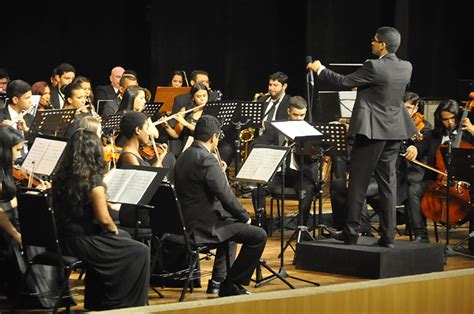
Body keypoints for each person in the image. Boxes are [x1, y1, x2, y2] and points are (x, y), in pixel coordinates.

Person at [307, 26, 417, 247]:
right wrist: (367, 90)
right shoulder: (406, 67)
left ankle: (351, 233)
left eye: (375, 40)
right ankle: (388, 236)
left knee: (357, 184)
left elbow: (345, 82)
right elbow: (385, 91)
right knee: (388, 184)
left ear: (383, 45)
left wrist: (320, 69)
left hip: (371, 132)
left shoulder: (373, 66)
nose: (372, 43)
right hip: (394, 131)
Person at [51, 128, 150, 310]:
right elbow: (104, 220)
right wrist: (115, 231)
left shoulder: (61, 177)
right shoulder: (93, 183)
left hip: (62, 239)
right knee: (140, 250)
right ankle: (126, 304)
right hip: (83, 242)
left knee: (125, 242)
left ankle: (99, 302)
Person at [174, 115, 267, 297]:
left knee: (231, 229)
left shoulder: (184, 155)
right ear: (214, 137)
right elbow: (225, 195)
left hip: (186, 222)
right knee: (258, 236)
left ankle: (218, 282)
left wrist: (218, 172)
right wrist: (245, 217)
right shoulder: (207, 160)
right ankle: (233, 283)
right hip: (203, 227)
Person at [403, 99, 474, 243]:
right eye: (445, 119)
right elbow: (420, 145)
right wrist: (413, 148)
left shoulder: (469, 135)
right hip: (437, 182)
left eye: (453, 118)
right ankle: (421, 234)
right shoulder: (433, 135)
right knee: (414, 190)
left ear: (459, 116)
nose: (450, 123)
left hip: (465, 185)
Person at [251, 96, 317, 230]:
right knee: (258, 190)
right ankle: (261, 228)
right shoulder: (276, 127)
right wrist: (278, 148)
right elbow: (256, 144)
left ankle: (301, 228)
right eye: (295, 115)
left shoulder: (310, 130)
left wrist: (312, 153)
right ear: (288, 111)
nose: (299, 118)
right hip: (278, 173)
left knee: (308, 190)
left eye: (302, 115)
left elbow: (313, 158)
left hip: (300, 174)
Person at [256, 71, 291, 136]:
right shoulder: (262, 100)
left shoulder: (289, 102)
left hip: (277, 141)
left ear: (284, 86)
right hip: (259, 139)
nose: (271, 88)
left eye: (275, 85)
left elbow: (284, 125)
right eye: (270, 85)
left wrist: (264, 124)